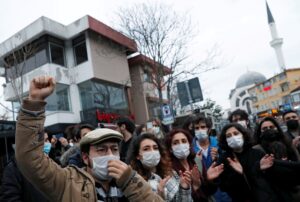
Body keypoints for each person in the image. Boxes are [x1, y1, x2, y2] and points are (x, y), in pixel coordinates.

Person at [15, 75, 164, 202]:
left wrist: (131, 182)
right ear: (85, 158)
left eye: (114, 149)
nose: (110, 155)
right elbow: (30, 158)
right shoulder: (67, 182)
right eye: (101, 150)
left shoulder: (130, 181)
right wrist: (33, 104)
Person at [127, 133, 193, 201]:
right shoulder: (135, 181)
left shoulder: (170, 173)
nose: (152, 151)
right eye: (146, 149)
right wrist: (160, 198)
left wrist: (184, 188)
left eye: (155, 148)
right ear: (137, 155)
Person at [165, 128, 223, 201]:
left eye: (184, 141)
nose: (181, 145)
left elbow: (208, 192)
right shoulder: (169, 171)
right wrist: (194, 187)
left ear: (189, 144)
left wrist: (209, 179)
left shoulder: (197, 161)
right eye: (175, 143)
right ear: (170, 149)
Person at [0, 134, 50, 202]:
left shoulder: (49, 164)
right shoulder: (13, 168)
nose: (47, 143)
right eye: (43, 140)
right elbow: (9, 198)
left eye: (47, 140)